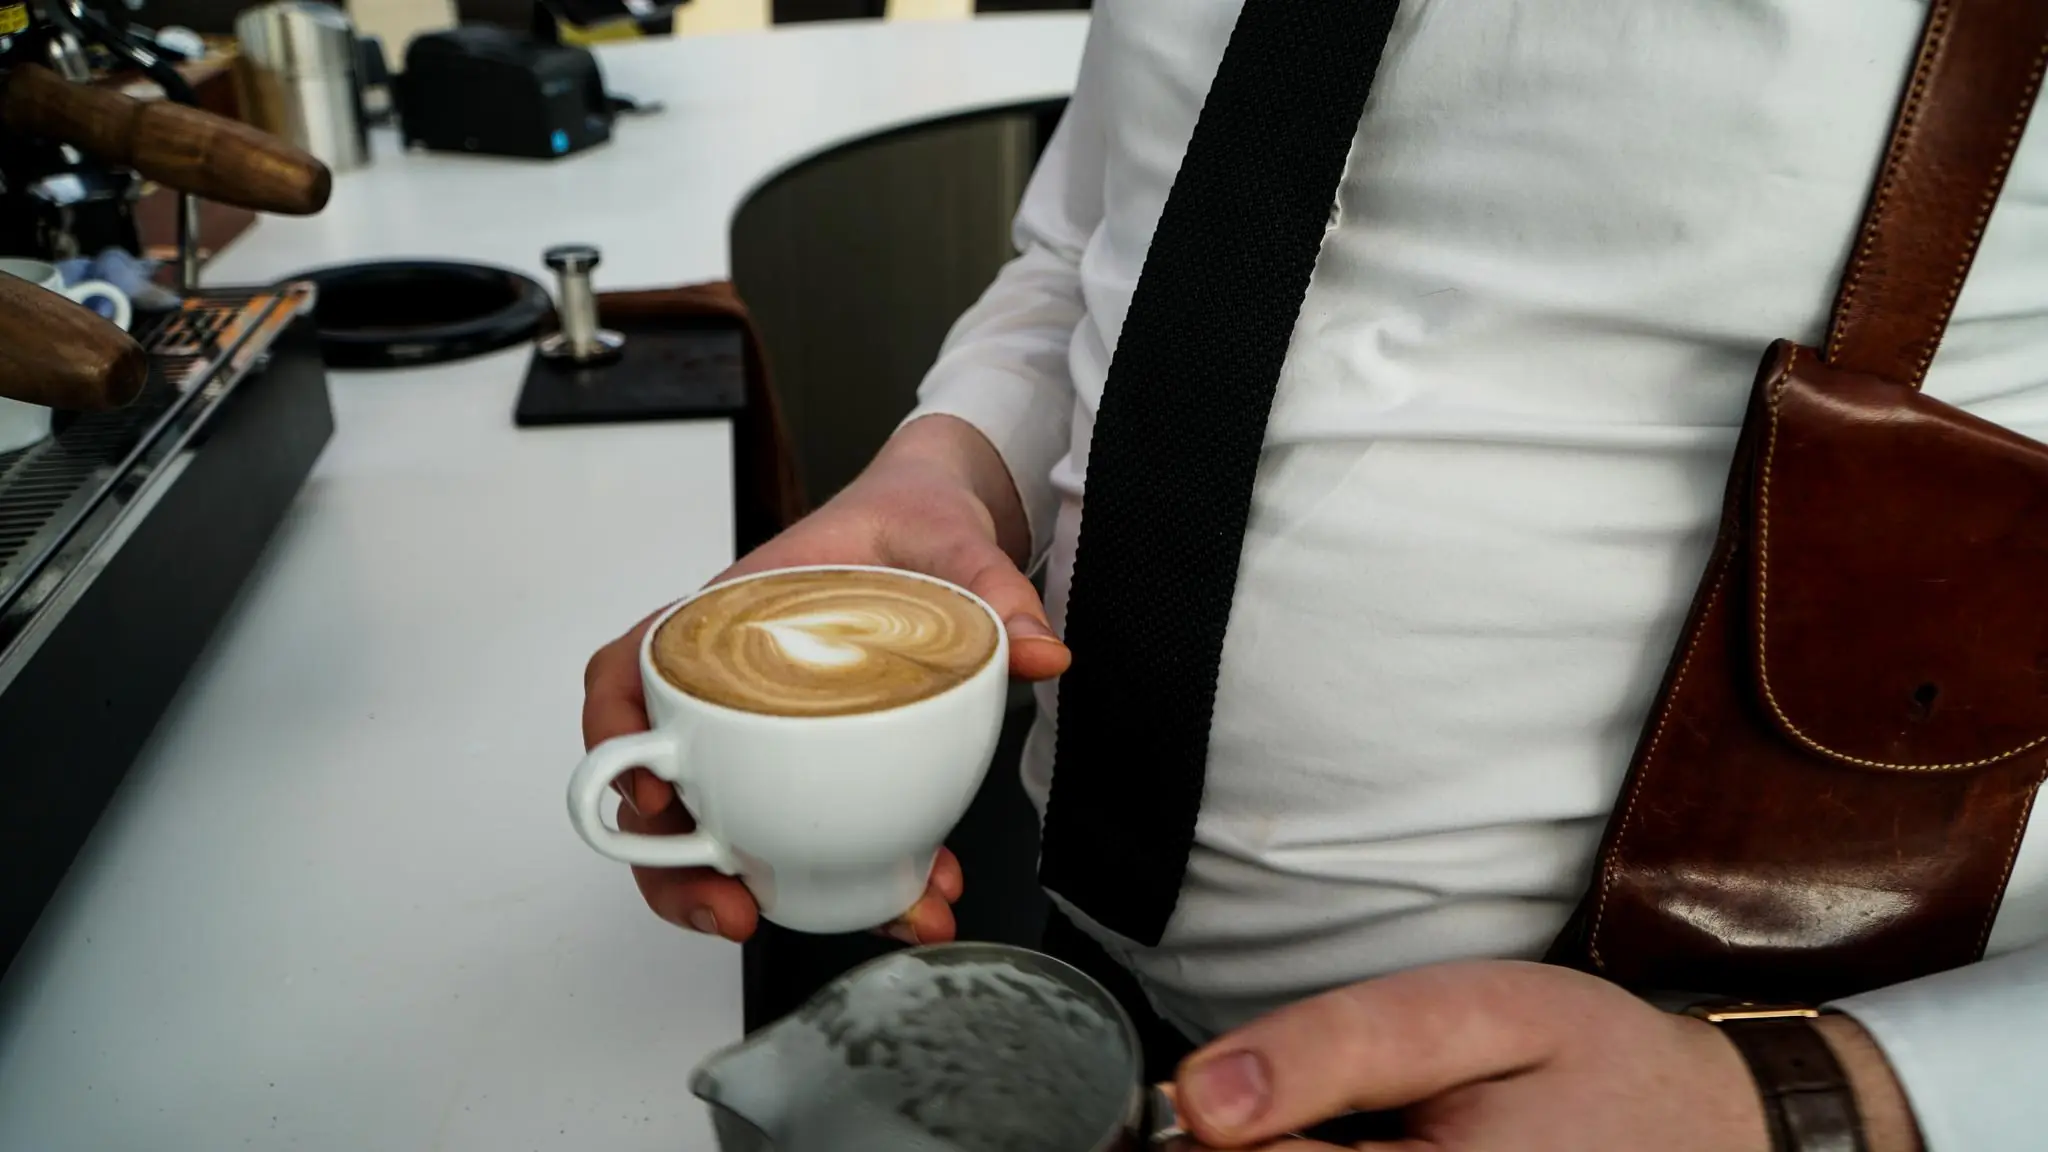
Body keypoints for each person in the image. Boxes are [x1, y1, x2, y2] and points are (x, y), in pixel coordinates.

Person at [581, 1, 2048, 1147]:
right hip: (1078, 970)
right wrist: (946, 470)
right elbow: (1101, 241)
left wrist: (1832, 1099)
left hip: (1700, 1080)